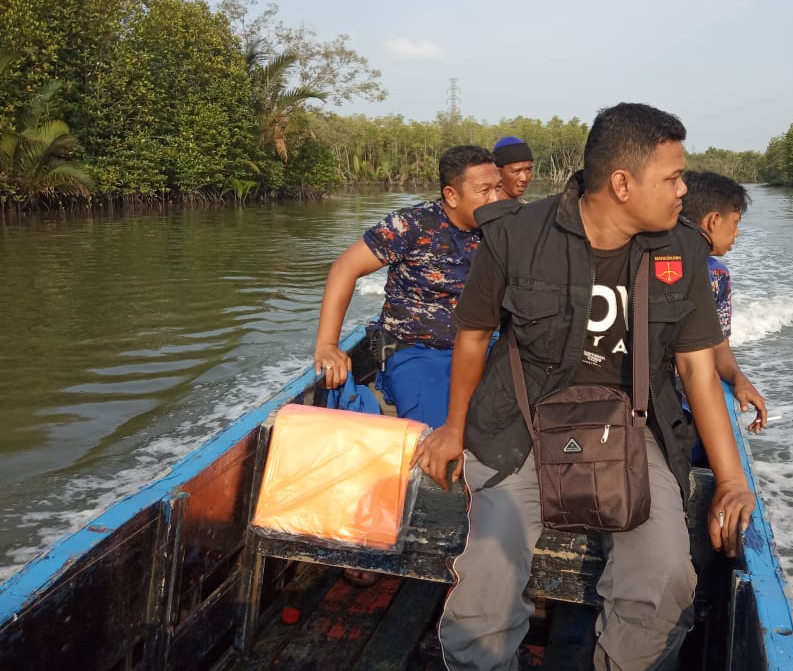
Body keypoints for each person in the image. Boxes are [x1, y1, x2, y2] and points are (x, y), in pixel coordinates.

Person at [417, 103, 756, 670]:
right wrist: (454, 428)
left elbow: (698, 368)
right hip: (519, 425)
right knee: (487, 585)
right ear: (622, 183)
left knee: (668, 575)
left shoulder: (684, 251)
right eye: (672, 177)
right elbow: (473, 337)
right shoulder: (516, 235)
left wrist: (731, 479)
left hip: (633, 425)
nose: (683, 191)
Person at [313, 144, 503, 428]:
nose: (496, 198)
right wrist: (327, 345)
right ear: (451, 195)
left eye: (498, 188)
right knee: (436, 434)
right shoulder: (412, 225)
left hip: (486, 345)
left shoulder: (503, 227)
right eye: (484, 190)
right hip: (419, 351)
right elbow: (344, 268)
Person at [681, 170, 768, 434]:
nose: (737, 233)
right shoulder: (706, 274)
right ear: (714, 221)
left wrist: (738, 378)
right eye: (736, 222)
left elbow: (719, 347)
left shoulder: (718, 274)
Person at [492, 135, 535, 201]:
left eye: (528, 169)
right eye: (517, 171)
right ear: (498, 173)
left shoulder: (529, 208)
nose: (524, 178)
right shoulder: (486, 209)